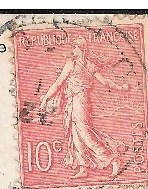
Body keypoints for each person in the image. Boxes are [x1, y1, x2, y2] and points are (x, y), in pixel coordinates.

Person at [38, 36, 129, 180]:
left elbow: (104, 82)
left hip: (81, 101)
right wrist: (45, 99)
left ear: (82, 49)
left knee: (84, 133)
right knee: (75, 134)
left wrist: (121, 88)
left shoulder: (84, 65)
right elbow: (58, 84)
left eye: (75, 47)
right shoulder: (73, 64)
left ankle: (112, 159)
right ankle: (83, 167)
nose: (72, 50)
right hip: (72, 101)